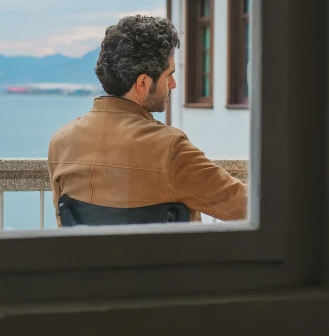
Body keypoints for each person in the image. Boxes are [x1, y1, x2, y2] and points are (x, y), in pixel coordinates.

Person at [48, 15, 247, 226]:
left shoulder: (61, 142)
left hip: (89, 259)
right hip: (164, 259)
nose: (173, 84)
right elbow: (244, 205)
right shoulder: (169, 149)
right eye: (168, 74)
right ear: (143, 82)